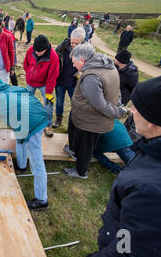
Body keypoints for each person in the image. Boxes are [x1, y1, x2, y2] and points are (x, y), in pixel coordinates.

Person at [86, 75, 161, 257]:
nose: (131, 111)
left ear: (152, 121)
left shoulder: (158, 192)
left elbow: (130, 255)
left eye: (136, 107)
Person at [0, 77, 50, 210]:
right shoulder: (16, 88)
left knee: (37, 162)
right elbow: (31, 98)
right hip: (39, 115)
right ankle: (22, 165)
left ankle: (42, 200)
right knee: (19, 138)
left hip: (33, 125)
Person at [62, 43, 129, 179]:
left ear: (82, 60)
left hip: (90, 121)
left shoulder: (91, 77)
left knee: (85, 148)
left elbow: (101, 105)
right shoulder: (106, 65)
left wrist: (119, 112)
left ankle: (81, 172)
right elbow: (116, 92)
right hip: (84, 116)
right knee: (76, 135)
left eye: (74, 62)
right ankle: (74, 151)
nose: (73, 65)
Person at [23, 35, 60, 137]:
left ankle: (47, 125)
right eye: (36, 50)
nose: (37, 53)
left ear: (46, 48)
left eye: (39, 51)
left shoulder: (53, 57)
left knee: (49, 104)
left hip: (44, 84)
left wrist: (49, 92)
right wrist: (29, 74)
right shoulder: (31, 50)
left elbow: (52, 77)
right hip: (31, 82)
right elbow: (26, 64)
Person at [53, 28, 86, 129]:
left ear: (82, 41)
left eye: (77, 43)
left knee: (75, 104)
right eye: (72, 42)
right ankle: (58, 119)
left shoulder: (86, 50)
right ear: (70, 38)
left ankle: (74, 122)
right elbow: (54, 61)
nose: (73, 45)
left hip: (74, 83)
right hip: (60, 81)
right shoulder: (61, 47)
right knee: (59, 102)